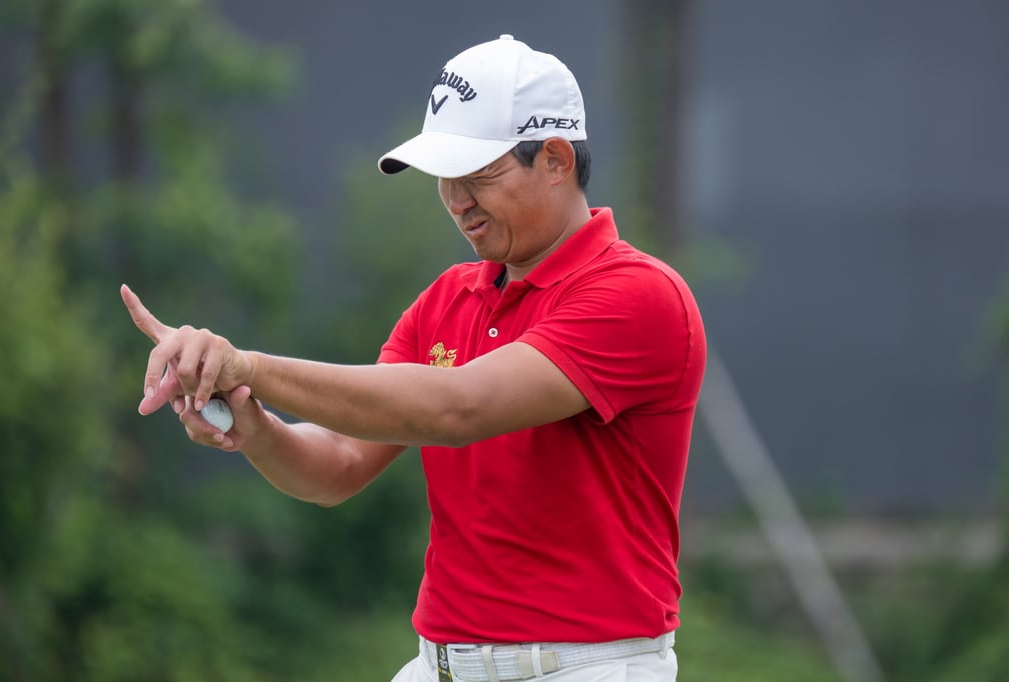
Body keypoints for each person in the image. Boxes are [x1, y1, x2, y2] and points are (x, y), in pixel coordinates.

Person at [122, 34, 706, 682]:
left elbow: (459, 408)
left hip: (588, 666)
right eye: (444, 179)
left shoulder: (638, 294)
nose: (457, 199)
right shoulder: (447, 299)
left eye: (478, 175)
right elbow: (337, 466)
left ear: (557, 160)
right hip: (438, 665)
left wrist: (251, 366)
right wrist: (251, 420)